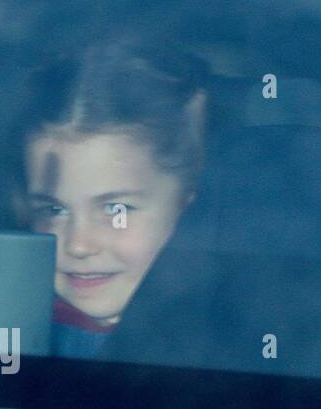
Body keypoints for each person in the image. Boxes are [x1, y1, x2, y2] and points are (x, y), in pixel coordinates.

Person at [18, 40, 209, 358]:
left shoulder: (223, 342)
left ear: (185, 205)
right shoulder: (2, 333)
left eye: (115, 209)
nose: (78, 246)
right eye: (54, 209)